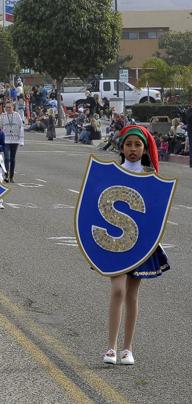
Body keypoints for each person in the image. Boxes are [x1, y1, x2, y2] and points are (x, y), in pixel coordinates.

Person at [102, 125, 169, 366]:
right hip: (115, 240)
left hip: (140, 242)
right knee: (118, 290)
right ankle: (111, 347)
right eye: (128, 144)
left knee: (131, 294)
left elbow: (156, 212)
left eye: (138, 145)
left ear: (145, 149)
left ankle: (127, 348)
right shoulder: (112, 172)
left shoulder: (151, 176)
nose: (133, 149)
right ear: (121, 148)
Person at [0, 101, 24, 183]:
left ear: (13, 107)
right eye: (6, 107)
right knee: (7, 158)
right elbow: (0, 128)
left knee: (13, 159)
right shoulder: (2, 116)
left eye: (9, 107)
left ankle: (11, 177)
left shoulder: (17, 115)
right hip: (6, 140)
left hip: (15, 140)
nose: (8, 109)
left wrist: (21, 140)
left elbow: (21, 127)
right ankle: (6, 175)